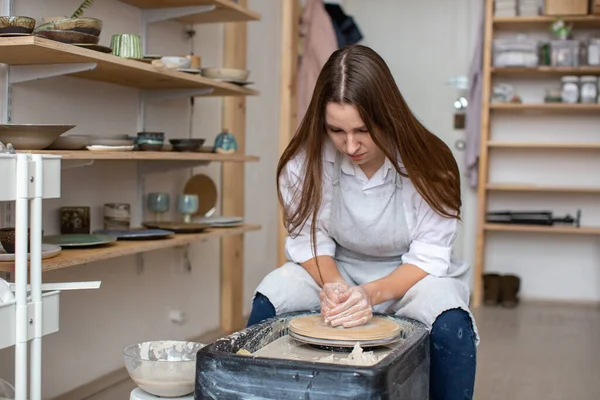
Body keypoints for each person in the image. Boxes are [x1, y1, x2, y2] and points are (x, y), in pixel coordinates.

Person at [248, 45, 478, 400]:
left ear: (388, 115)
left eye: (363, 130)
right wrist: (338, 289)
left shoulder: (432, 164)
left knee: (450, 320)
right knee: (273, 293)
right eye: (337, 131)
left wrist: (369, 295)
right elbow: (309, 241)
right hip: (335, 268)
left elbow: (429, 254)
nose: (350, 145)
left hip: (414, 277)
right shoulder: (302, 163)